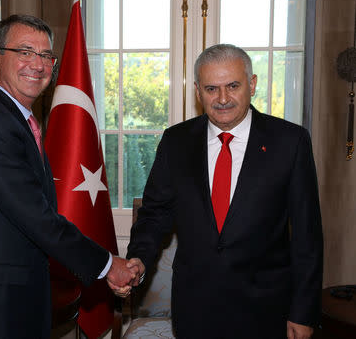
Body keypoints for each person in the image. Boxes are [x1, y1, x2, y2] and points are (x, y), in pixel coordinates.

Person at [0, 15, 136, 339]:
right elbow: (37, 217)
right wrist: (107, 264)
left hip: (7, 297)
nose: (37, 64)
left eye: (46, 55)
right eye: (24, 52)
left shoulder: (14, 119)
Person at [121, 44, 323, 339]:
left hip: (267, 310)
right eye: (212, 88)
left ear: (251, 85)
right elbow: (155, 213)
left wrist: (303, 312)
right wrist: (138, 257)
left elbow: (308, 236)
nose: (223, 99)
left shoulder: (290, 142)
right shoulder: (176, 142)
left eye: (233, 86)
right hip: (195, 310)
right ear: (197, 91)